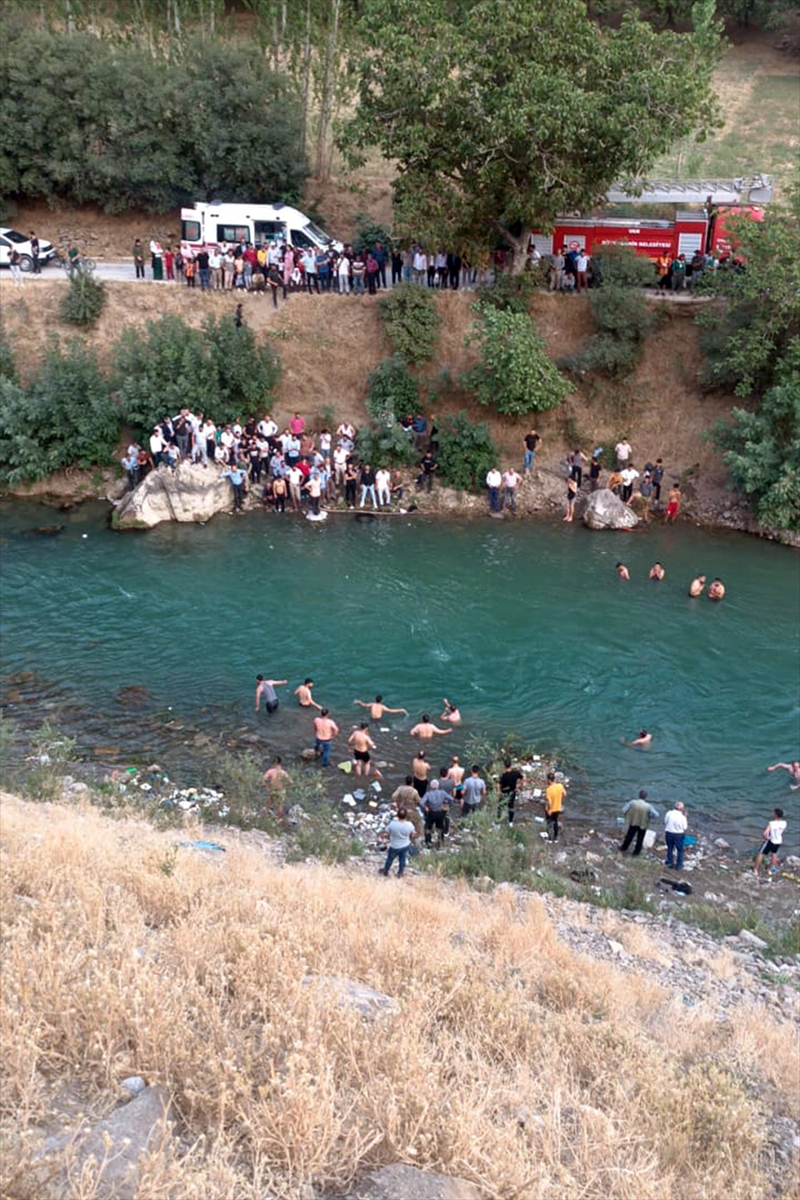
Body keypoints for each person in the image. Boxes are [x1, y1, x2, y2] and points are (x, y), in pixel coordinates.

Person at [620, 790, 660, 856]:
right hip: (643, 824)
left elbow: (623, 810)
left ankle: (624, 848)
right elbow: (656, 815)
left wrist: (628, 815)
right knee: (640, 839)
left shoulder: (632, 802)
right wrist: (649, 816)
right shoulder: (648, 806)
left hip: (633, 822)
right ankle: (636, 852)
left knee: (629, 836)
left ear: (639, 795)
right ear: (646, 797)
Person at [380, 808, 416, 877]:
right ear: (406, 816)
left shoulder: (392, 824)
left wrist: (383, 837)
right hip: (405, 845)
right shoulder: (410, 825)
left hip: (394, 845)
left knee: (390, 859)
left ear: (397, 815)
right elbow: (413, 834)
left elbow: (386, 833)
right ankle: (400, 872)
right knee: (402, 858)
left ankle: (385, 871)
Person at [754, 808, 787, 876]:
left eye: (774, 813)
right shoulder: (784, 823)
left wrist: (765, 837)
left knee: (761, 854)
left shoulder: (771, 823)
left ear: (776, 815)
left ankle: (755, 869)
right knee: (774, 855)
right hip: (778, 841)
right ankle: (769, 869)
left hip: (771, 841)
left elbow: (765, 833)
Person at [423, 779, 449, 848]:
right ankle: (440, 843)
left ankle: (428, 843)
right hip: (440, 812)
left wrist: (426, 807)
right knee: (440, 828)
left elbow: (421, 802)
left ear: (431, 786)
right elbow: (451, 799)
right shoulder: (442, 792)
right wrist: (445, 804)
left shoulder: (428, 794)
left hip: (431, 812)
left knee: (428, 827)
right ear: (438, 786)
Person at [498, 757, 524, 825]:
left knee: (501, 807)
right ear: (510, 765)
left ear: (504, 766)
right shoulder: (515, 773)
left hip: (504, 793)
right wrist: (518, 785)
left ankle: (498, 822)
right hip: (512, 792)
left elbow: (499, 784)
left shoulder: (503, 776)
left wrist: (499, 792)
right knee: (511, 806)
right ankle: (510, 821)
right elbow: (523, 778)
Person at [664, 800, 688, 869]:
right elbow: (685, 827)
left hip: (669, 832)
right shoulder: (682, 817)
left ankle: (670, 862)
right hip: (678, 834)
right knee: (680, 850)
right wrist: (685, 817)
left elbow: (665, 821)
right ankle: (679, 865)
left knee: (670, 848)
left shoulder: (669, 813)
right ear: (682, 809)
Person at [544, 771, 565, 841]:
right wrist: (558, 798)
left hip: (551, 809)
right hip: (558, 807)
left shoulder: (548, 790)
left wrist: (549, 810)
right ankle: (555, 838)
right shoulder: (560, 786)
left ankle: (550, 838)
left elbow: (549, 802)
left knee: (549, 823)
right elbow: (564, 794)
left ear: (549, 780)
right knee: (555, 822)